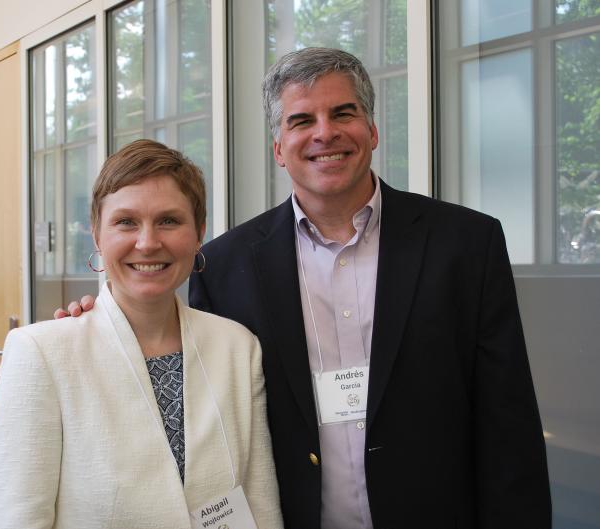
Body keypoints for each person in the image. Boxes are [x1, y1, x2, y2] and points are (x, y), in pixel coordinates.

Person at [61, 48, 551, 529]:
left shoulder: (466, 244)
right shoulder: (226, 264)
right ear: (278, 147)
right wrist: (100, 329)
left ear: (372, 130)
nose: (325, 132)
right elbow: (189, 380)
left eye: (344, 113)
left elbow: (507, 419)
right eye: (301, 121)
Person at [0, 139, 283, 529]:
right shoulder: (42, 353)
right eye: (126, 222)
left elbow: (260, 503)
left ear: (199, 234)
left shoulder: (237, 348)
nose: (147, 243)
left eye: (169, 221)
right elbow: (19, 519)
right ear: (97, 234)